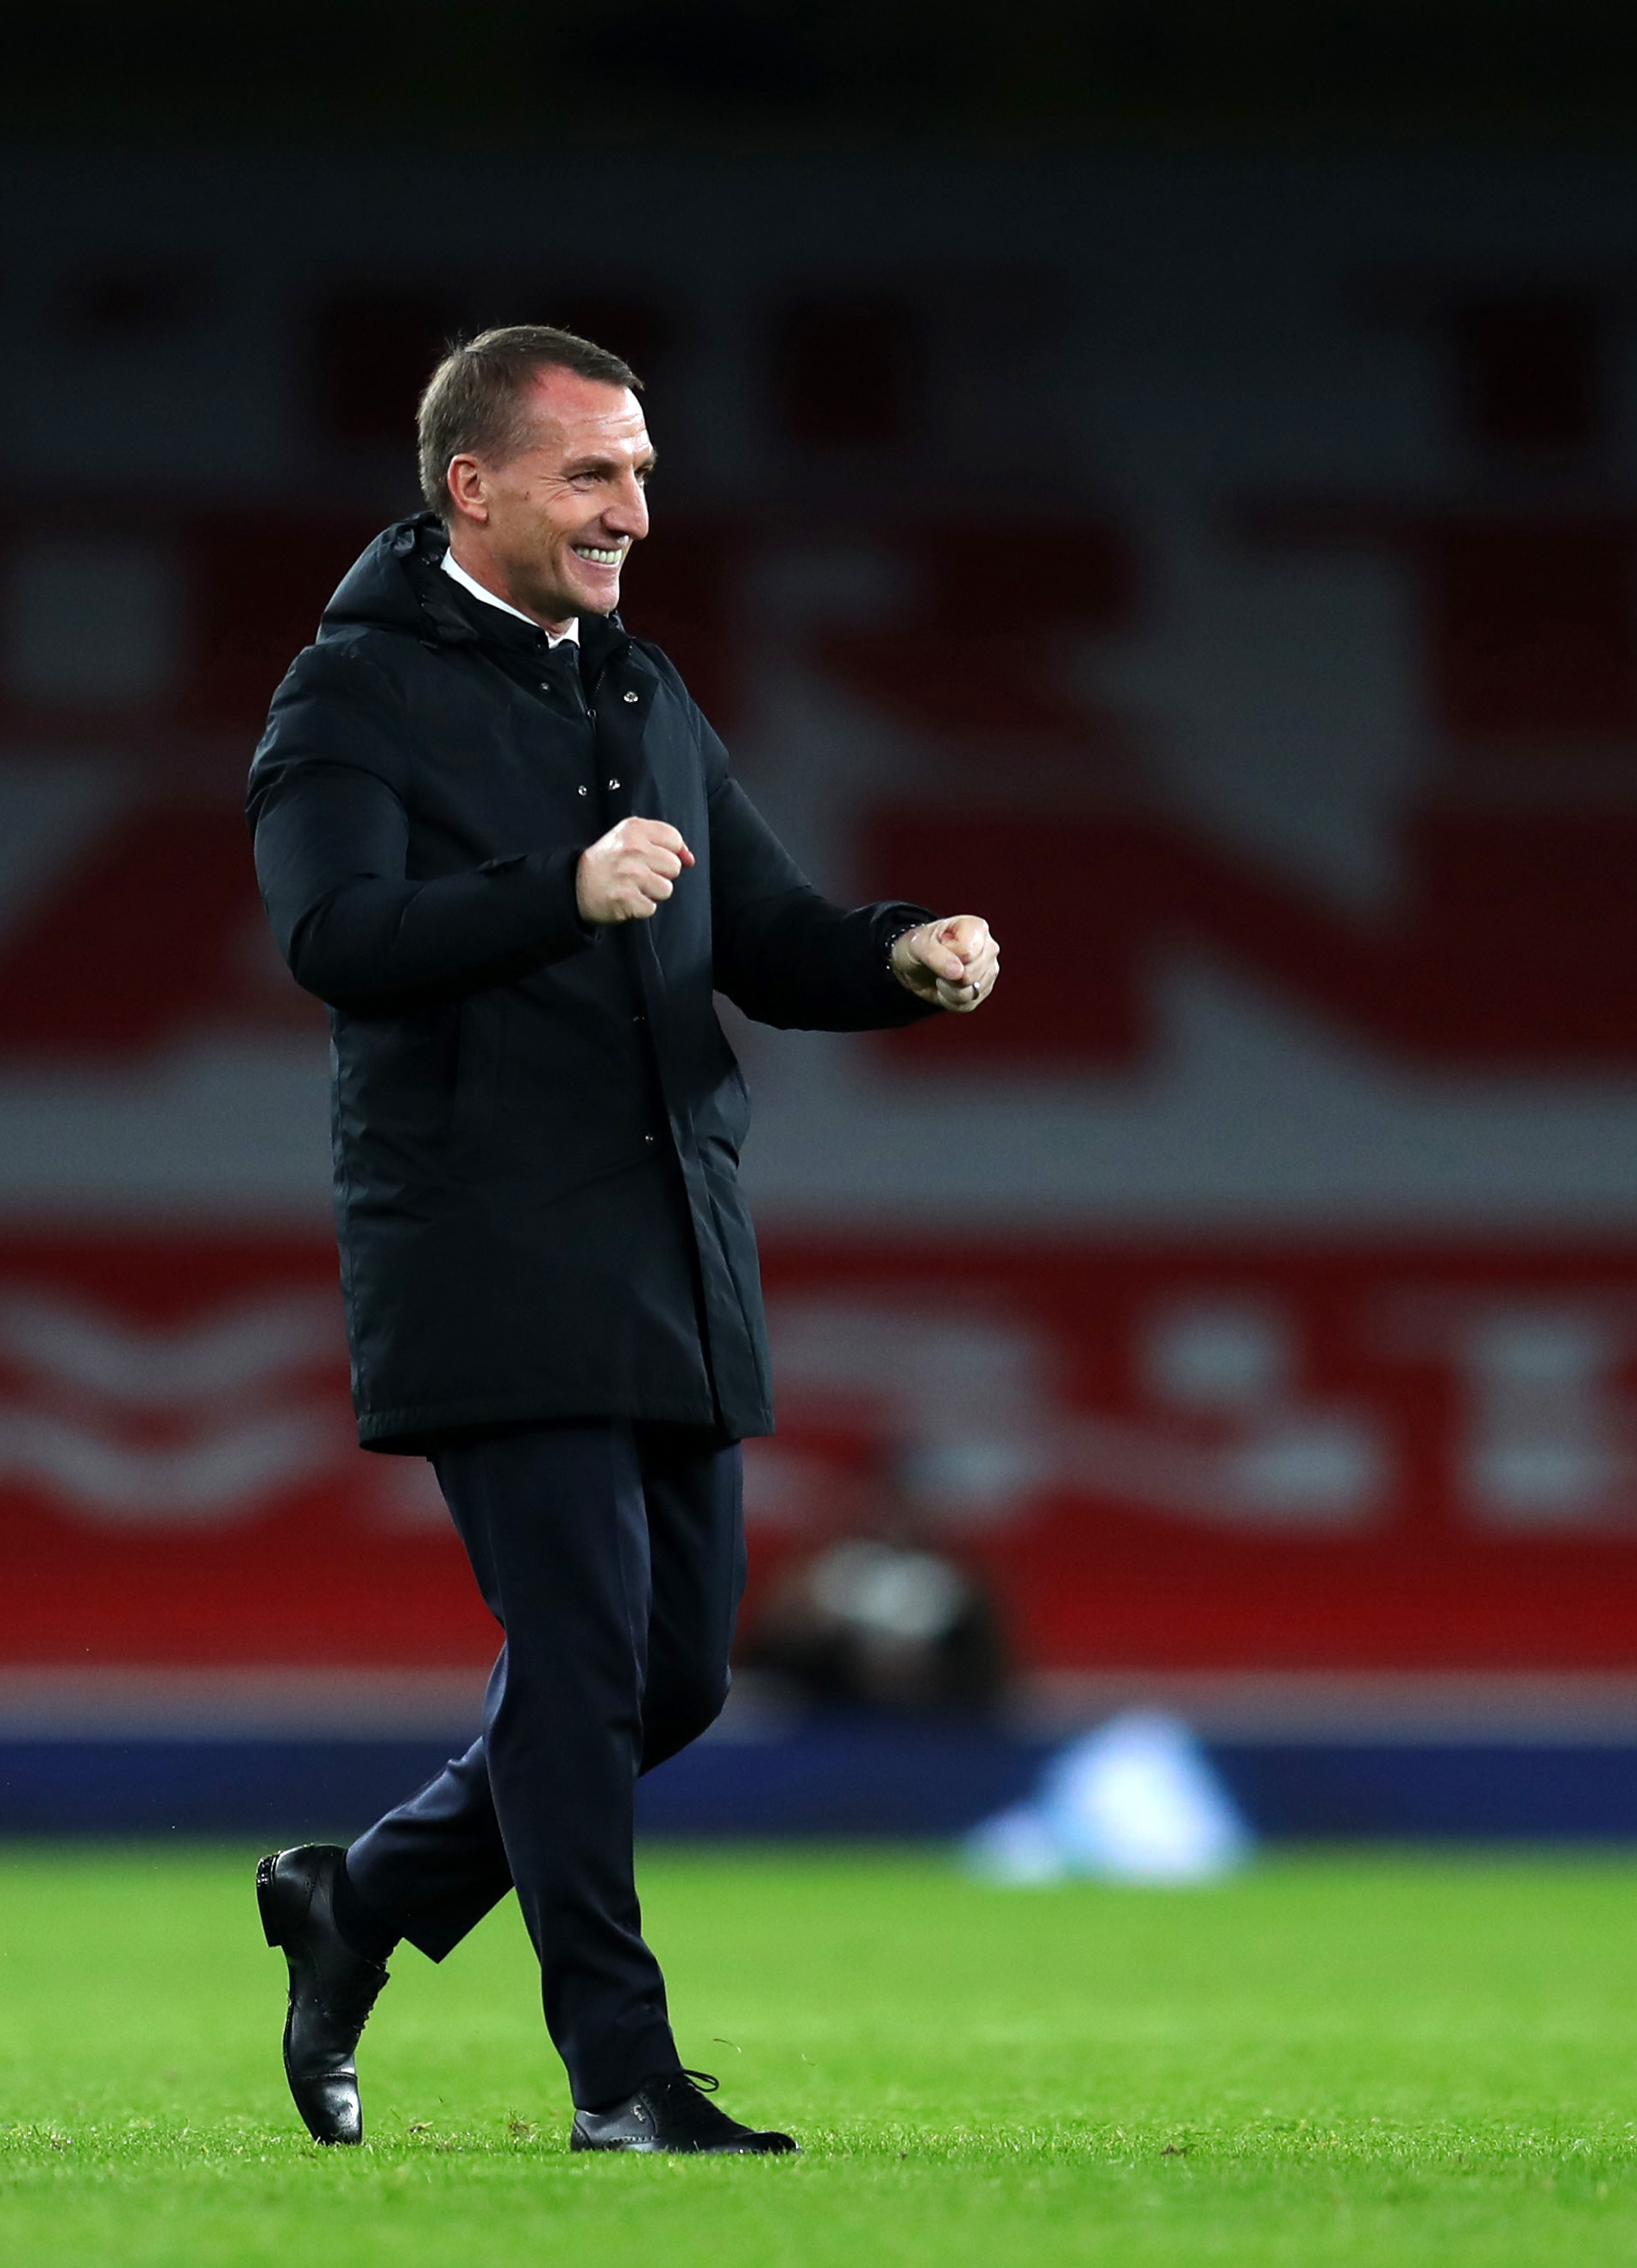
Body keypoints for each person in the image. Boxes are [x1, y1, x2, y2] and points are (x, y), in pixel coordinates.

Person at [245, 326, 1003, 2155]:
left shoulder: (635, 685)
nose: (632, 510)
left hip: (669, 1235)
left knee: (667, 1678)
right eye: (592, 474)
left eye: (641, 470)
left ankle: (361, 1899)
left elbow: (764, 932)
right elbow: (332, 936)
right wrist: (553, 895)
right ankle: (619, 2077)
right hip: (484, 1235)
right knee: (580, 1667)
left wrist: (896, 954)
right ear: (472, 486)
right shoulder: (347, 694)